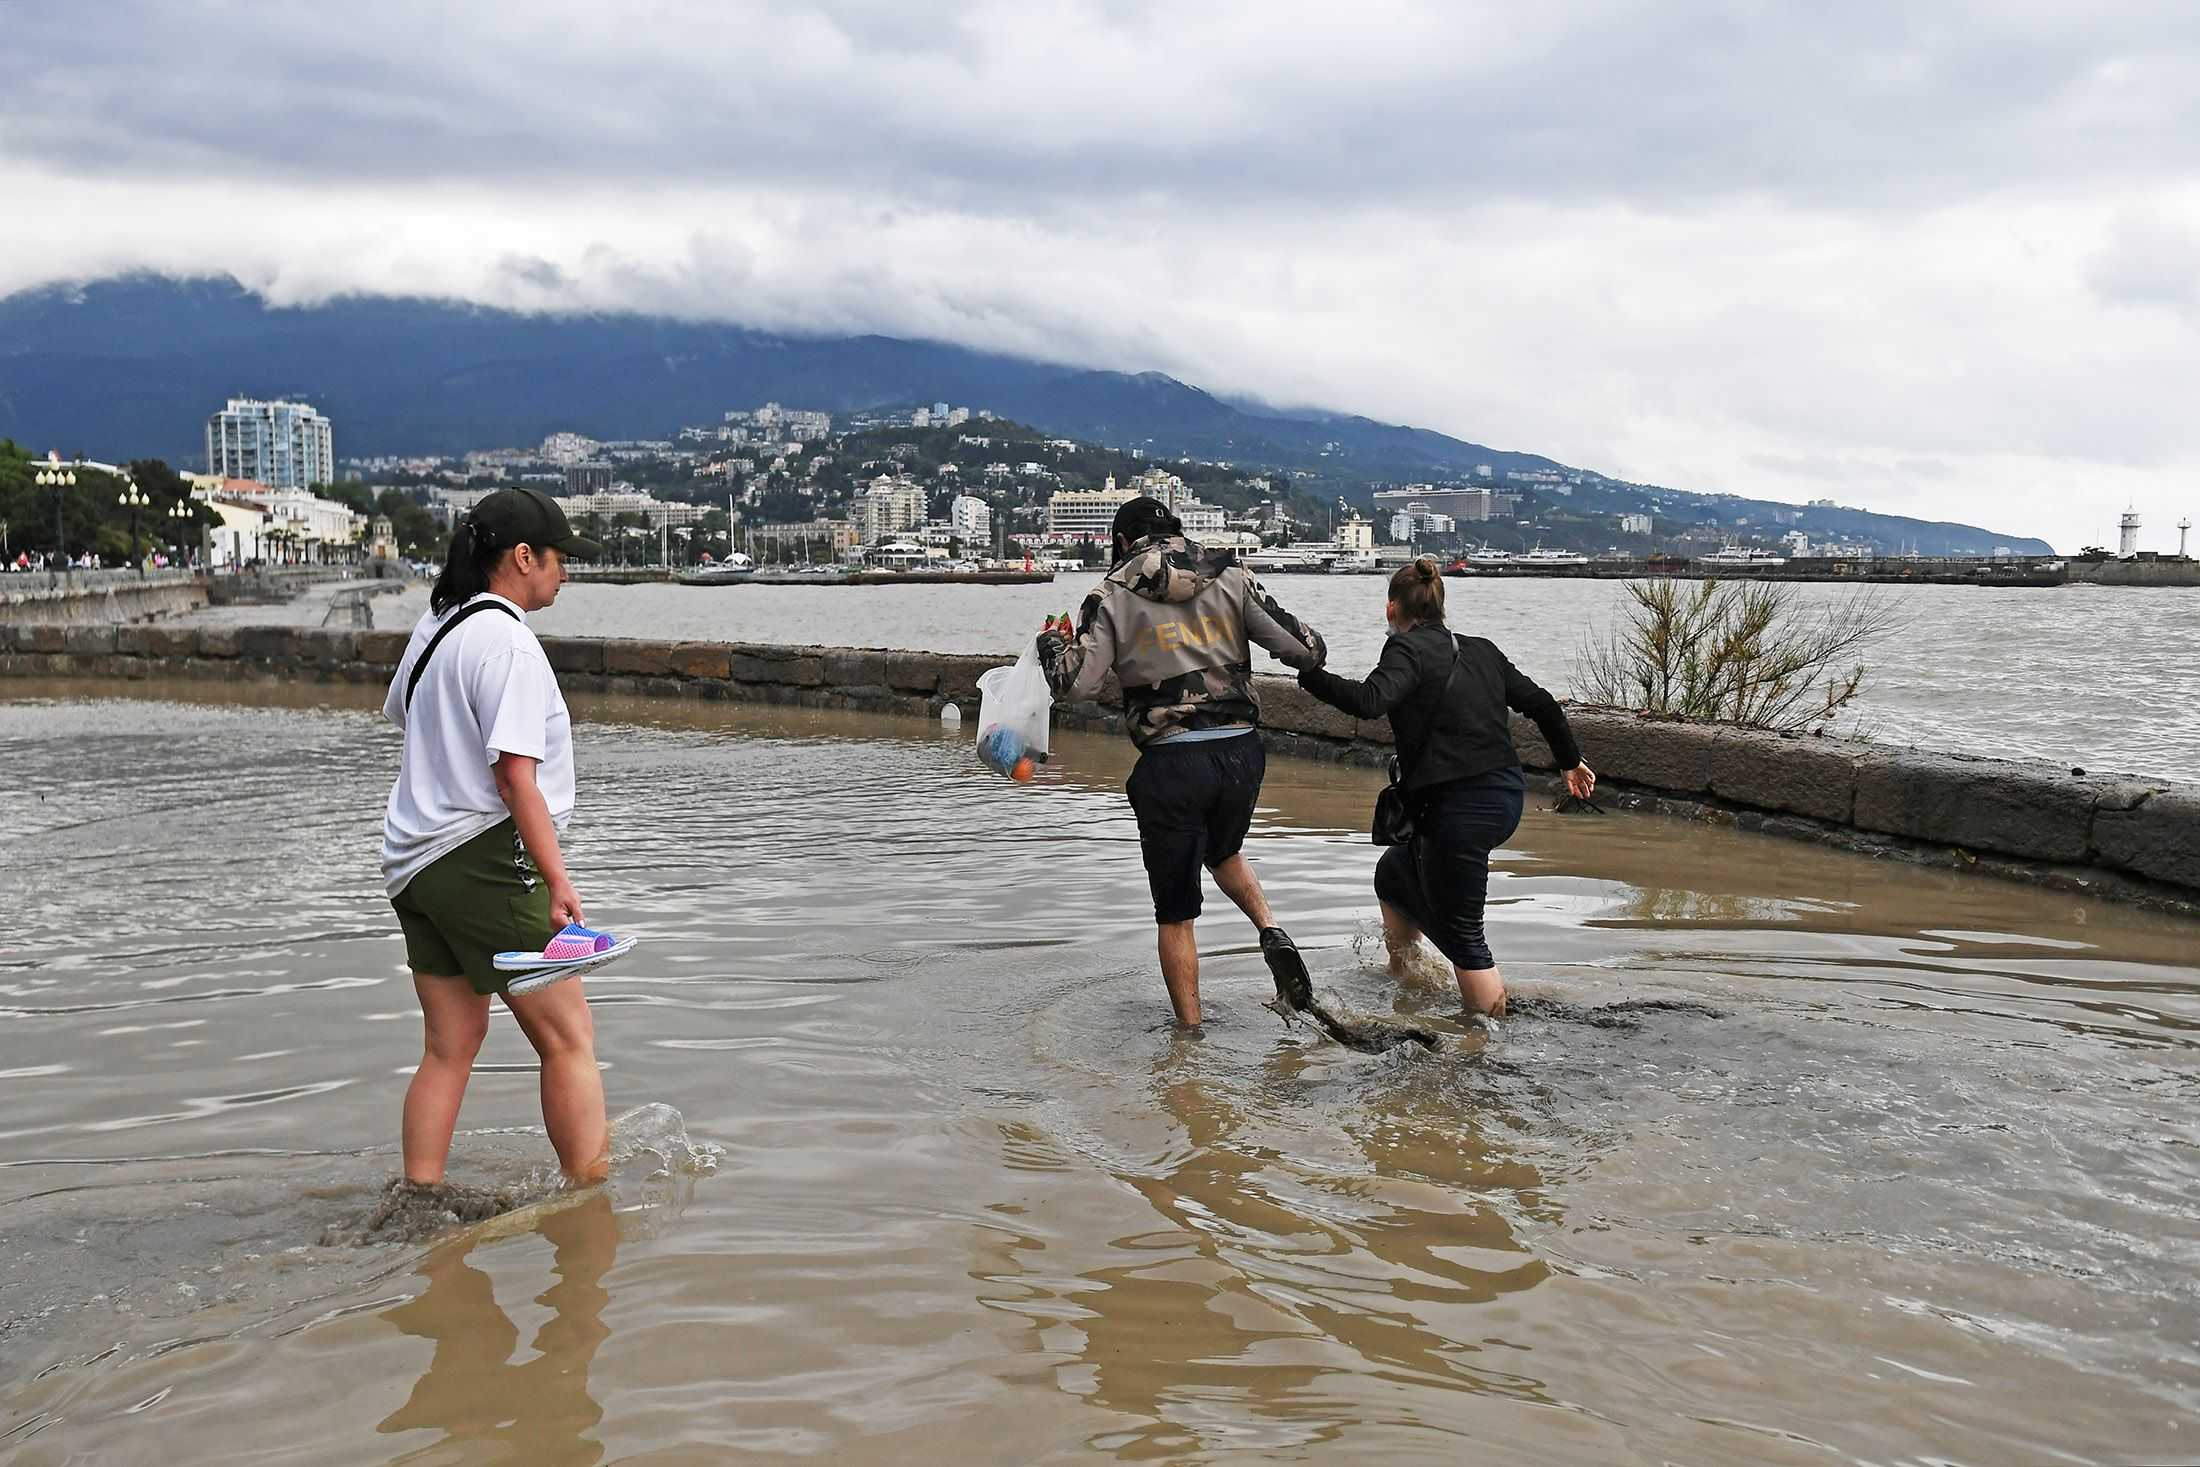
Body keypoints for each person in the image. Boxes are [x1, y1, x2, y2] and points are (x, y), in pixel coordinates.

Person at [381, 487, 610, 1186]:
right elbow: (515, 778)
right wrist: (558, 878)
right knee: (567, 1036)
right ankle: (589, 1200)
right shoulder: (508, 640)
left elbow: (401, 711)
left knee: (450, 1043)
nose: (565, 573)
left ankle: (420, 1196)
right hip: (480, 853)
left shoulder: (438, 627)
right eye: (558, 558)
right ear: (521, 558)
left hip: (413, 862)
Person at [1036, 496, 1328, 1029]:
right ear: (1175, 529)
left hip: (1171, 763)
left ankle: (1188, 1041)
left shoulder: (1111, 592)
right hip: (1241, 753)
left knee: (1176, 914)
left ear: (1123, 541)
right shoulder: (1231, 574)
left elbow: (1077, 684)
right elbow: (1305, 649)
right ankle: (1270, 929)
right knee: (1223, 848)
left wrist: (1052, 645)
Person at [1296, 556, 1593, 1017]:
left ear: (1392, 609)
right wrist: (1569, 763)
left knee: (1464, 935)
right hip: (1501, 799)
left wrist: (1310, 673)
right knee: (1394, 873)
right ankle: (1408, 978)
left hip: (1459, 809)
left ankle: (1487, 1044)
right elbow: (1543, 705)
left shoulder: (1405, 651)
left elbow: (1369, 701)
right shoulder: (1482, 651)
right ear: (1440, 605)